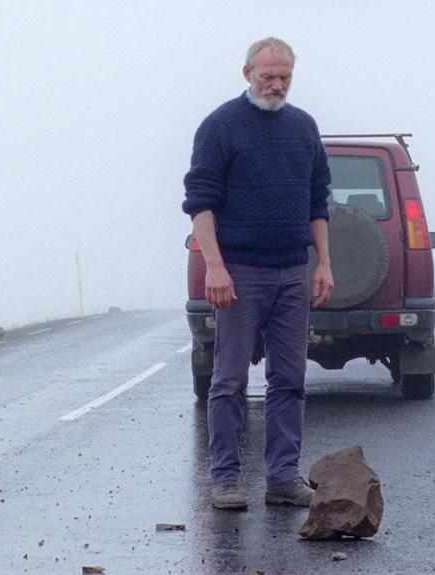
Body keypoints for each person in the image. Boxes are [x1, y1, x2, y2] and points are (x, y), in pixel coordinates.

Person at [182, 37, 334, 510]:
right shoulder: (220, 126)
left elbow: (317, 199)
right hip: (240, 273)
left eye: (285, 76)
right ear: (247, 73)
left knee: (289, 379)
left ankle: (283, 478)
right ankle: (226, 479)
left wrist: (323, 262)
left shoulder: (303, 127)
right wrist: (215, 267)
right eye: (268, 75)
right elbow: (200, 202)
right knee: (228, 380)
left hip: (292, 271)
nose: (276, 84)